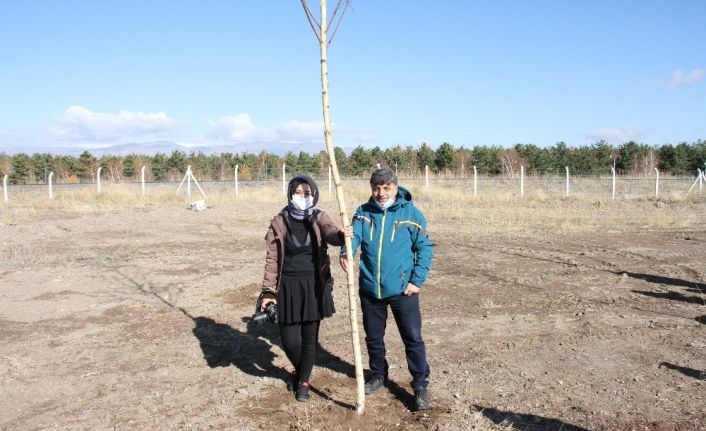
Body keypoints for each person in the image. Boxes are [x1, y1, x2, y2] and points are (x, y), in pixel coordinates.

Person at [340, 167, 434, 411]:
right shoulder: (363, 212)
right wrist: (345, 250)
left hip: (403, 290)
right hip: (371, 289)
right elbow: (354, 240)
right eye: (376, 188)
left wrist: (417, 280)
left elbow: (425, 248)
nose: (381, 193)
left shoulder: (411, 214)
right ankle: (379, 374)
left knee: (412, 338)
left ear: (395, 187)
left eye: (386, 188)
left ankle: (420, 385)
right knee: (373, 337)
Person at [259, 175, 350, 402]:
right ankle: (302, 371)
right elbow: (272, 259)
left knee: (310, 337)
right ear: (291, 194)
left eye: (307, 193)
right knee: (290, 341)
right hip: (287, 287)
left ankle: (303, 382)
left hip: (314, 285)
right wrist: (268, 291)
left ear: (314, 195)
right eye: (298, 193)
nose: (303, 197)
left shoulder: (319, 217)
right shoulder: (279, 222)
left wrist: (341, 236)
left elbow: (331, 233)